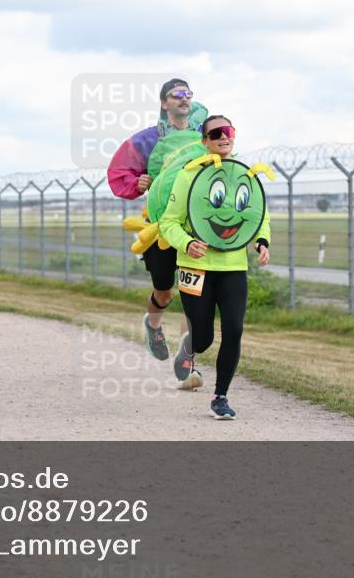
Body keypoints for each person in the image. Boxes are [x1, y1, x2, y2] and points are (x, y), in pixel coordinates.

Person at [159, 115, 272, 420]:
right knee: (204, 337)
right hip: (195, 266)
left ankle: (220, 397)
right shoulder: (189, 175)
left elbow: (258, 216)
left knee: (234, 329)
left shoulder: (244, 175)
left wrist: (262, 241)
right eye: (216, 133)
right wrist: (186, 243)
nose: (224, 137)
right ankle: (189, 350)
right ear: (204, 141)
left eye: (228, 131)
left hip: (233, 266)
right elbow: (168, 222)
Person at [107, 78, 208, 373]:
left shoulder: (203, 136)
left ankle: (186, 362)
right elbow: (118, 171)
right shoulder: (148, 140)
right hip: (160, 229)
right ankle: (153, 326)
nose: (184, 98)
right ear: (164, 103)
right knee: (164, 292)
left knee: (193, 294)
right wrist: (138, 182)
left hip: (194, 228)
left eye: (188, 94)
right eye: (176, 95)